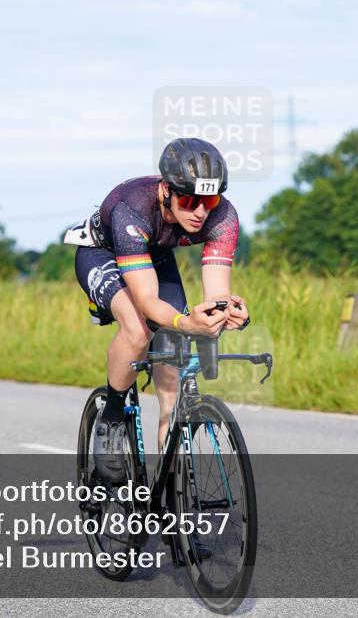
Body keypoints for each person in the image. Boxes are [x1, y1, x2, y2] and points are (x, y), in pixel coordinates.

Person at [67, 137, 249, 481]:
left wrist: (226, 311)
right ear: (166, 190)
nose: (201, 212)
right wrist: (184, 320)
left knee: (173, 359)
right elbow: (148, 301)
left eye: (209, 199)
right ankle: (112, 419)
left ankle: (171, 482)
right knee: (140, 328)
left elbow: (217, 291)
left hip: (156, 255)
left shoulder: (222, 216)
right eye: (191, 200)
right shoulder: (132, 209)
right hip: (103, 253)